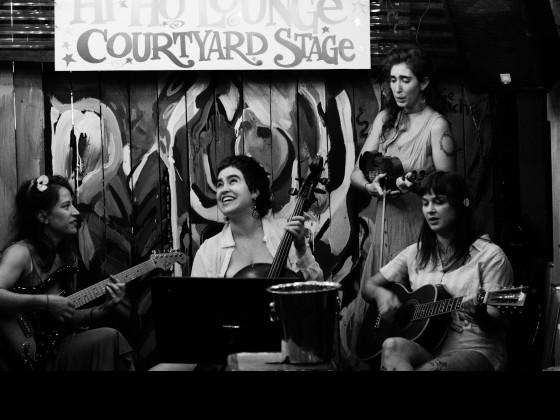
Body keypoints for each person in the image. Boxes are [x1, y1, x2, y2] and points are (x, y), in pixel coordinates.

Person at [341, 46, 457, 369]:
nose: (397, 88)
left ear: (424, 83)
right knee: (376, 317)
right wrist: (370, 187)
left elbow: (449, 188)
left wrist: (416, 187)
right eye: (393, 80)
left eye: (405, 80)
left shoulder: (436, 126)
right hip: (383, 229)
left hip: (418, 232)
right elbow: (356, 173)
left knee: (410, 315)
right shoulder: (385, 119)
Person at [361, 171, 514, 371]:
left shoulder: (491, 256)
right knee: (391, 346)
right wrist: (381, 295)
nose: (430, 210)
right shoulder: (414, 253)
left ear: (462, 204)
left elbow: (496, 321)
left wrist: (480, 314)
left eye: (439, 202)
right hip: (429, 346)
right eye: (425, 203)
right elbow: (368, 287)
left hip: (474, 348)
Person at [0, 174, 135, 371]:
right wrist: (46, 302)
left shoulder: (65, 257)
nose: (76, 212)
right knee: (109, 338)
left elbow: (67, 316)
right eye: (66, 206)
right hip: (32, 357)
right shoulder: (20, 253)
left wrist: (103, 309)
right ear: (43, 216)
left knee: (109, 338)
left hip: (56, 347)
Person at [191, 154, 323, 281]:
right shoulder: (207, 251)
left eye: (233, 181)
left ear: (254, 191)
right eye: (220, 184)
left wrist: (301, 249)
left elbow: (316, 285)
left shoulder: (286, 233)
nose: (224, 189)